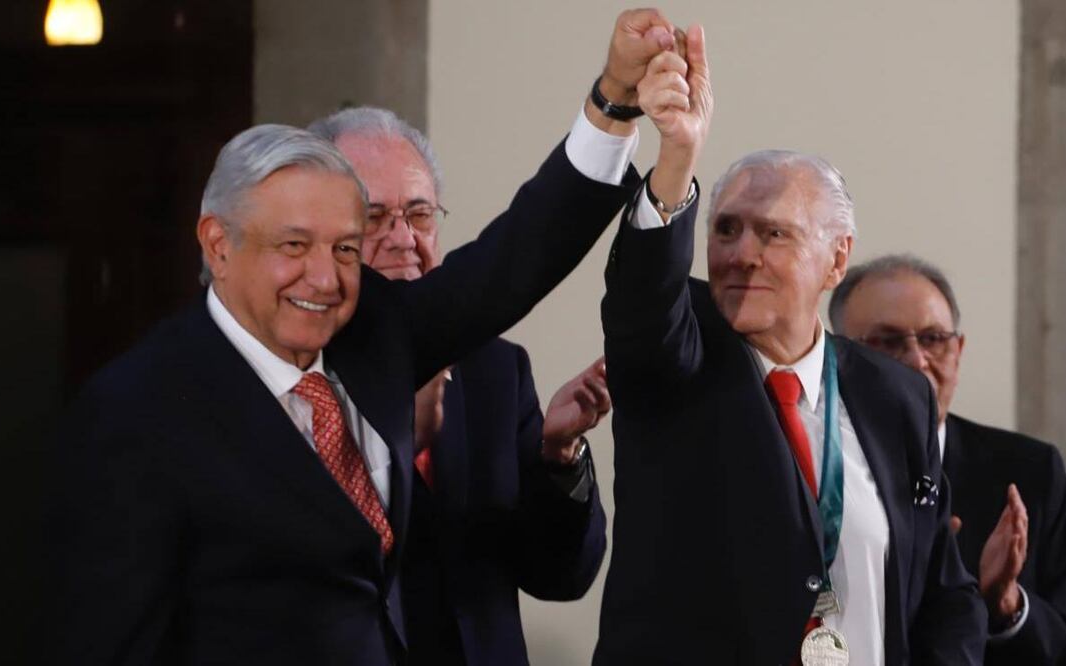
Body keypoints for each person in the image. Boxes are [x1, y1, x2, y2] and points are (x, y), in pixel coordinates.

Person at [47, 9, 686, 664]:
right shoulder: (136, 409)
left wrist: (612, 101)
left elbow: (517, 255)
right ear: (219, 245)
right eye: (293, 246)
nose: (324, 277)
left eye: (345, 248)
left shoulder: (375, 331)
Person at [594, 27, 986, 662]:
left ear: (837, 259)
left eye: (774, 234)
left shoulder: (894, 395)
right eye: (726, 230)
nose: (742, 255)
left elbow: (945, 592)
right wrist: (678, 155)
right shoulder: (677, 350)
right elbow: (642, 295)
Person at [307, 106, 610, 665]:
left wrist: (558, 457)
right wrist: (399, 439)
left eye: (419, 215)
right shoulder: (296, 375)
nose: (403, 239)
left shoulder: (495, 370)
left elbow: (561, 576)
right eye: (373, 218)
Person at [829, 253, 1066, 664]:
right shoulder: (810, 460)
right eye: (887, 341)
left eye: (934, 339)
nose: (918, 360)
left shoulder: (1030, 471)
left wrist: (1005, 603)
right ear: (838, 353)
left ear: (959, 349)